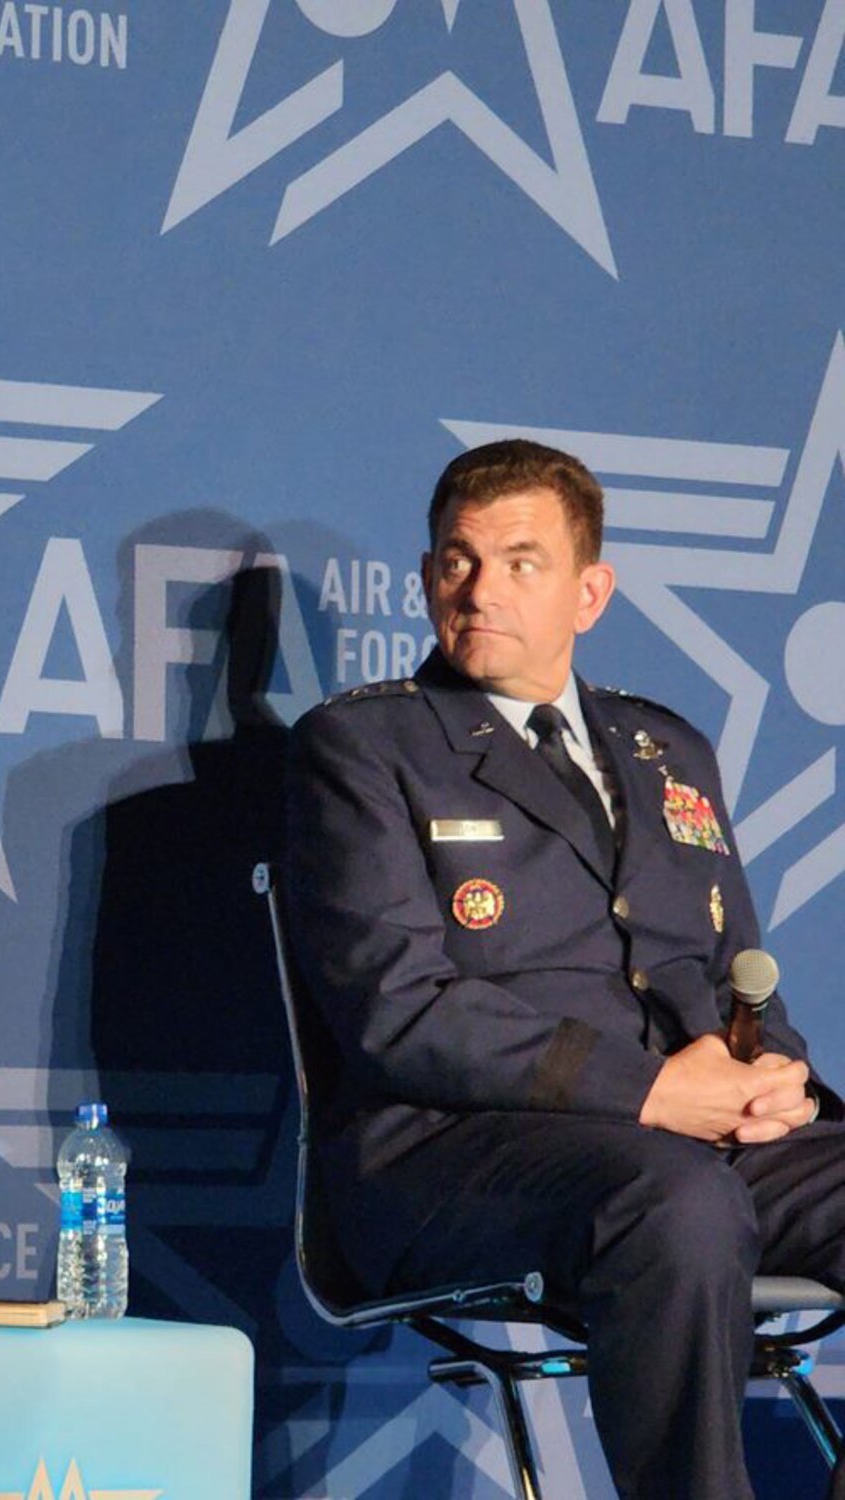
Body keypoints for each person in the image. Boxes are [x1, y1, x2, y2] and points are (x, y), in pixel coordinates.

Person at [283, 438, 845, 1499]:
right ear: (424, 578)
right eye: (456, 560)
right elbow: (399, 1013)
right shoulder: (362, 748)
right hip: (454, 1154)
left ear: (589, 592)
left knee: (718, 1174)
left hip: (687, 1134)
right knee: (677, 1204)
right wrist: (650, 1091)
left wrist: (767, 1073)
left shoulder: (663, 747)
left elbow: (735, 974)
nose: (479, 588)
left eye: (520, 561)